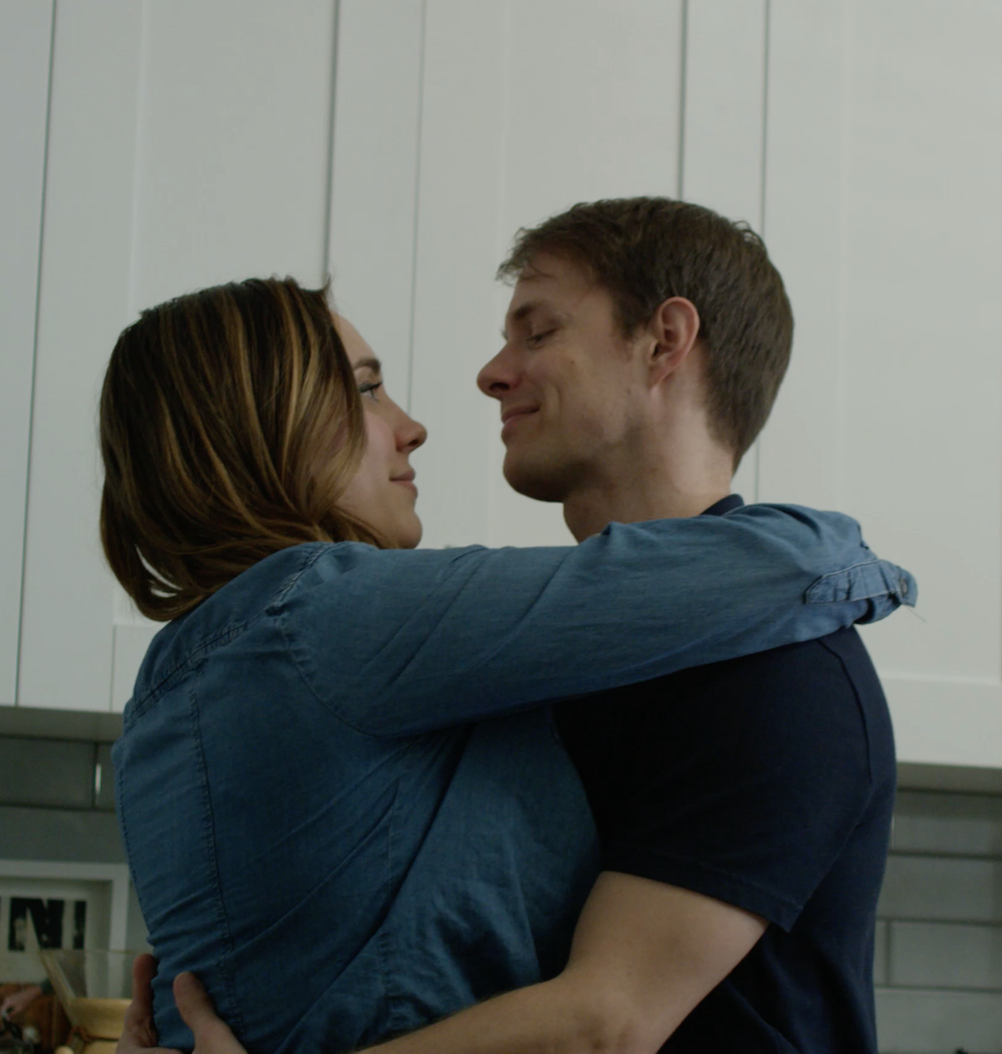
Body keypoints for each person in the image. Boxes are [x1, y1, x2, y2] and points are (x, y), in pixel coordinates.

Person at [123, 198, 898, 1053]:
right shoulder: (452, 655)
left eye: (538, 332)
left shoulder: (781, 663)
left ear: (664, 341)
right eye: (369, 387)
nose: (489, 375)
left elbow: (602, 1023)